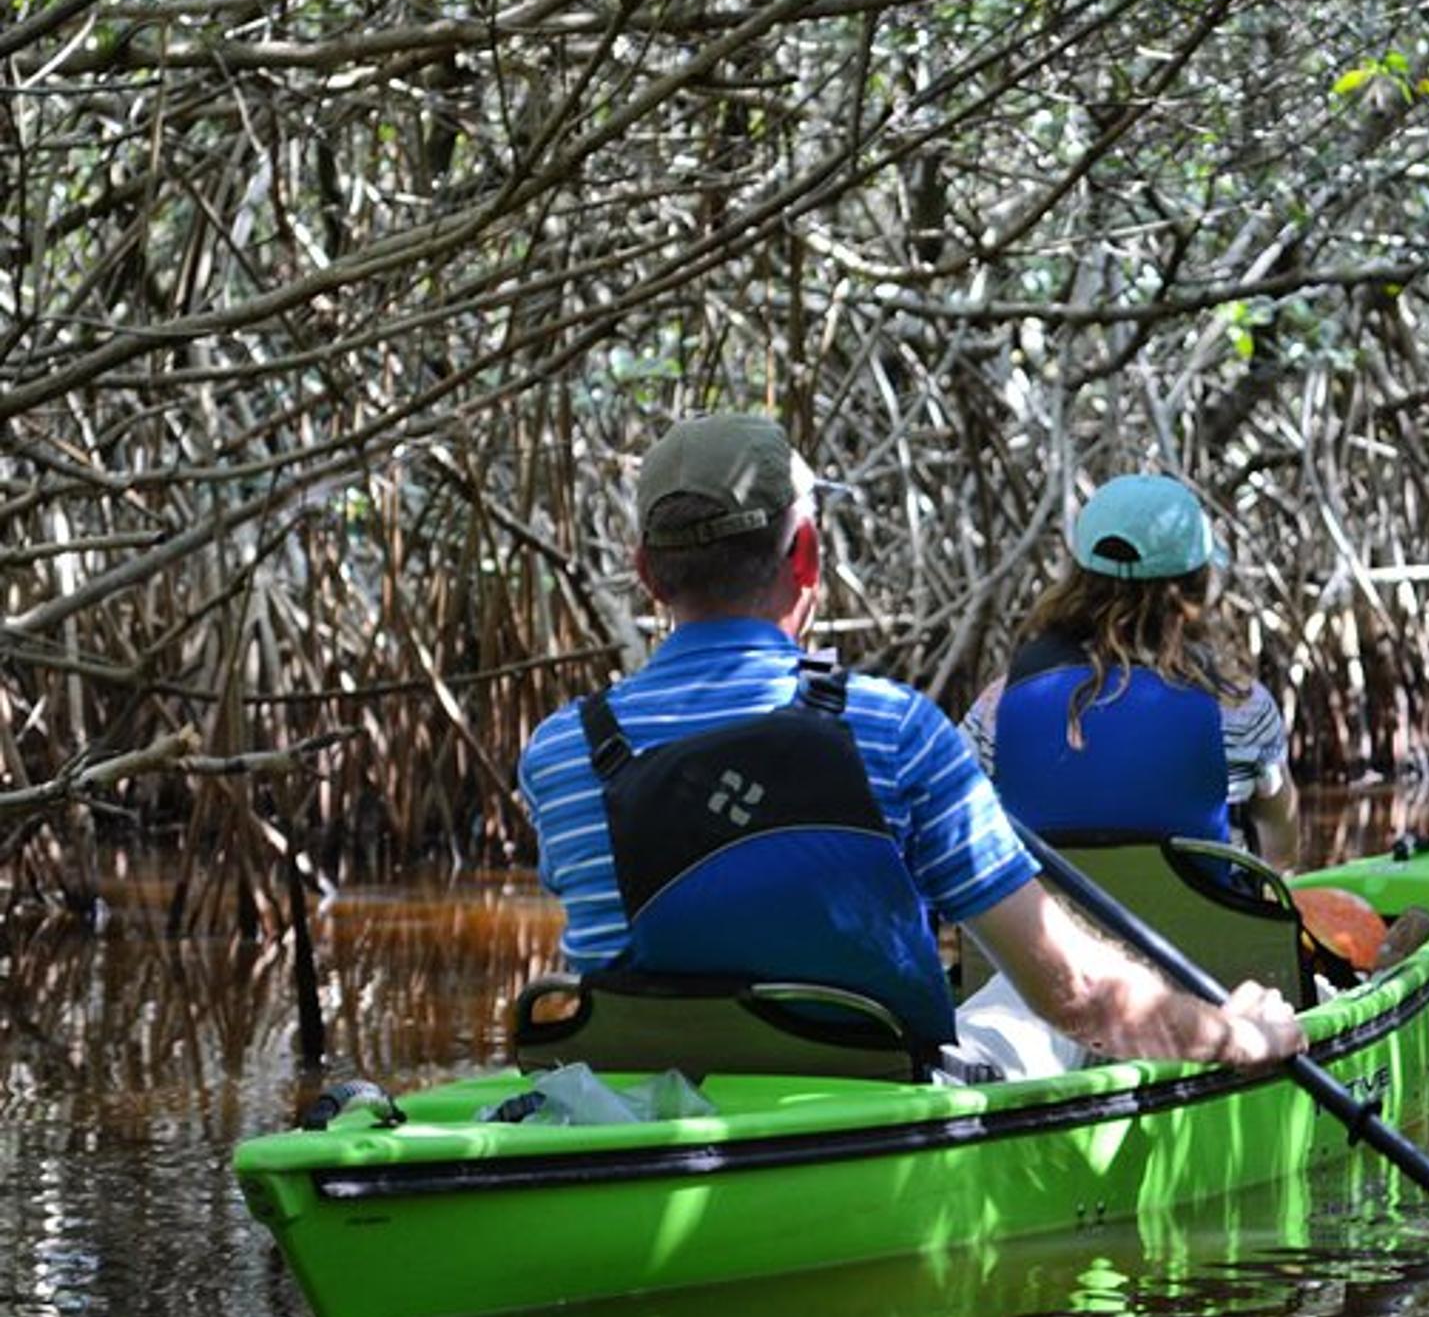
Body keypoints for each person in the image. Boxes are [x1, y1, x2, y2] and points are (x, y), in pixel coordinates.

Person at [516, 414, 1303, 1078]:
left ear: (647, 573)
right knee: (1012, 1001)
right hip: (885, 1096)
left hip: (646, 1104)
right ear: (807, 556)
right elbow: (1078, 994)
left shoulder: (561, 755)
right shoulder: (894, 731)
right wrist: (1238, 1033)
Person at [959, 473, 1300, 869]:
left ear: (1077, 577)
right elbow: (1282, 851)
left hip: (1036, 929)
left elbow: (950, 822)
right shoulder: (1241, 705)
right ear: (1196, 583)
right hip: (1195, 930)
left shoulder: (1000, 704)